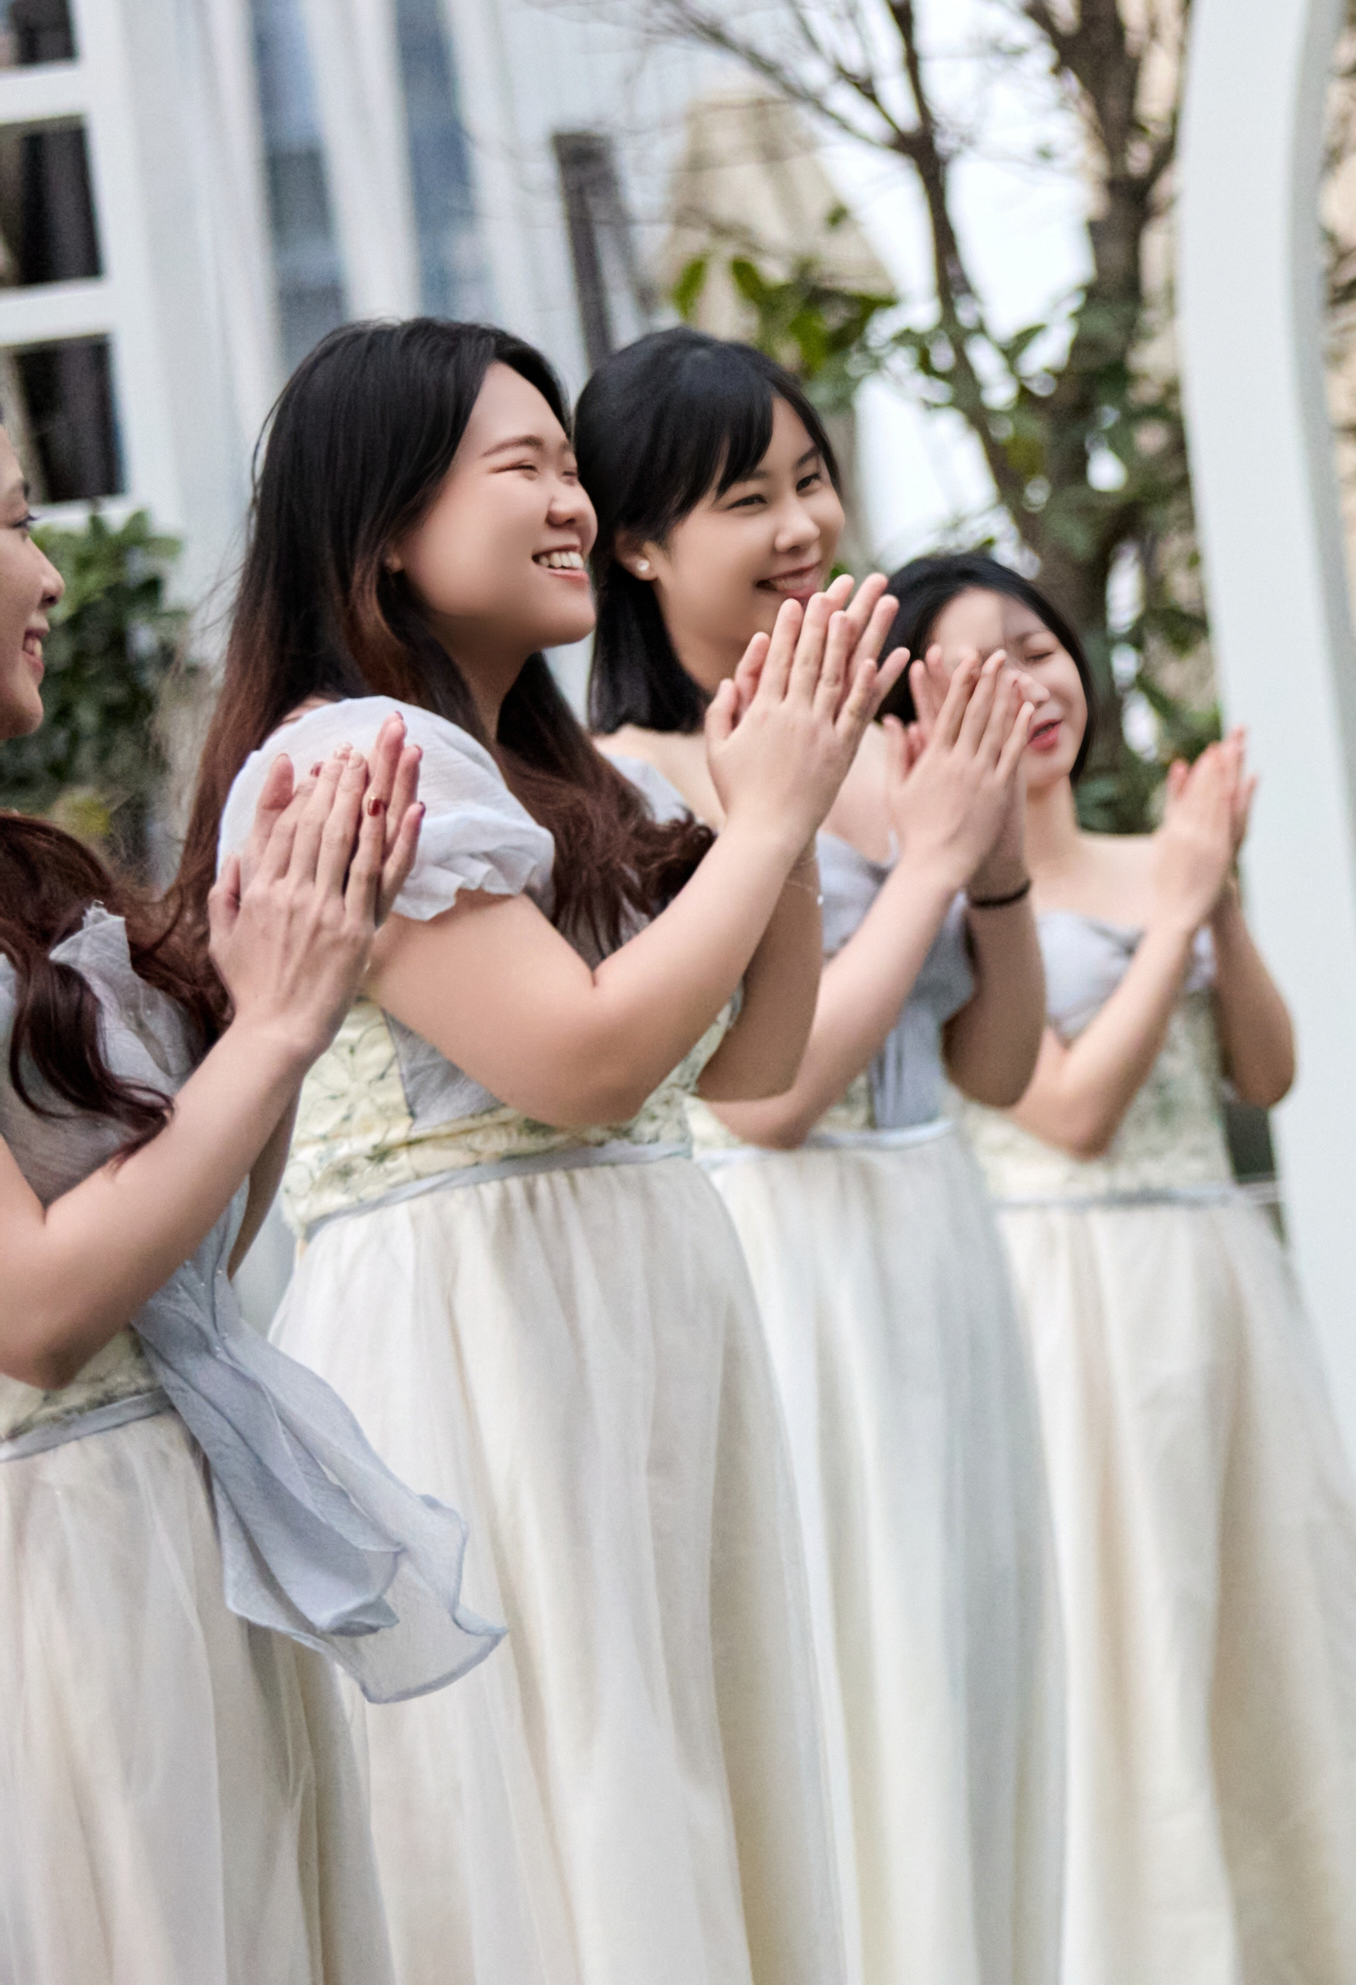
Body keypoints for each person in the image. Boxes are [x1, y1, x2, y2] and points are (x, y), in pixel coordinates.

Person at [171, 316, 889, 1985]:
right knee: (577, 1833)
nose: (573, 501)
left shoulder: (534, 767)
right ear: (385, 530)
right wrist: (779, 818)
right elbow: (579, 1062)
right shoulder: (353, 757)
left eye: (573, 466)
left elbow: (754, 1064)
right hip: (485, 1341)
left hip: (630, 1324)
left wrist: (768, 804)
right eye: (524, 467)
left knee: (680, 1795)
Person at [577, 335, 1065, 1985]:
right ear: (640, 546)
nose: (800, 527)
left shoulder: (888, 739)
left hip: (941, 1230)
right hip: (797, 1267)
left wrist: (991, 866)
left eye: (811, 480)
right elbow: (760, 1100)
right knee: (870, 1700)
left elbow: (995, 1069)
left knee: (981, 1677)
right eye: (744, 499)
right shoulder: (634, 776)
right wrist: (929, 866)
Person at [0, 410, 497, 1985]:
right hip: (64, 1575)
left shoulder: (31, 875)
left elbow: (189, 1248)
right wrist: (272, 1029)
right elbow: (37, 1312)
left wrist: (290, 1000)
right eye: (11, 524)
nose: (51, 575)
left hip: (185, 1529)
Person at [927, 553, 1356, 1985]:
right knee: (1120, 1638)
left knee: (1269, 1627)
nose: (1030, 685)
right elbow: (1063, 1110)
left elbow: (1266, 1071)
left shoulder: (1151, 857)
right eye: (981, 663)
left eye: (1039, 647)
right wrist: (1173, 913)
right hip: (1063, 1296)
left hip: (1217, 1274)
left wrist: (1212, 895)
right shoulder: (956, 899)